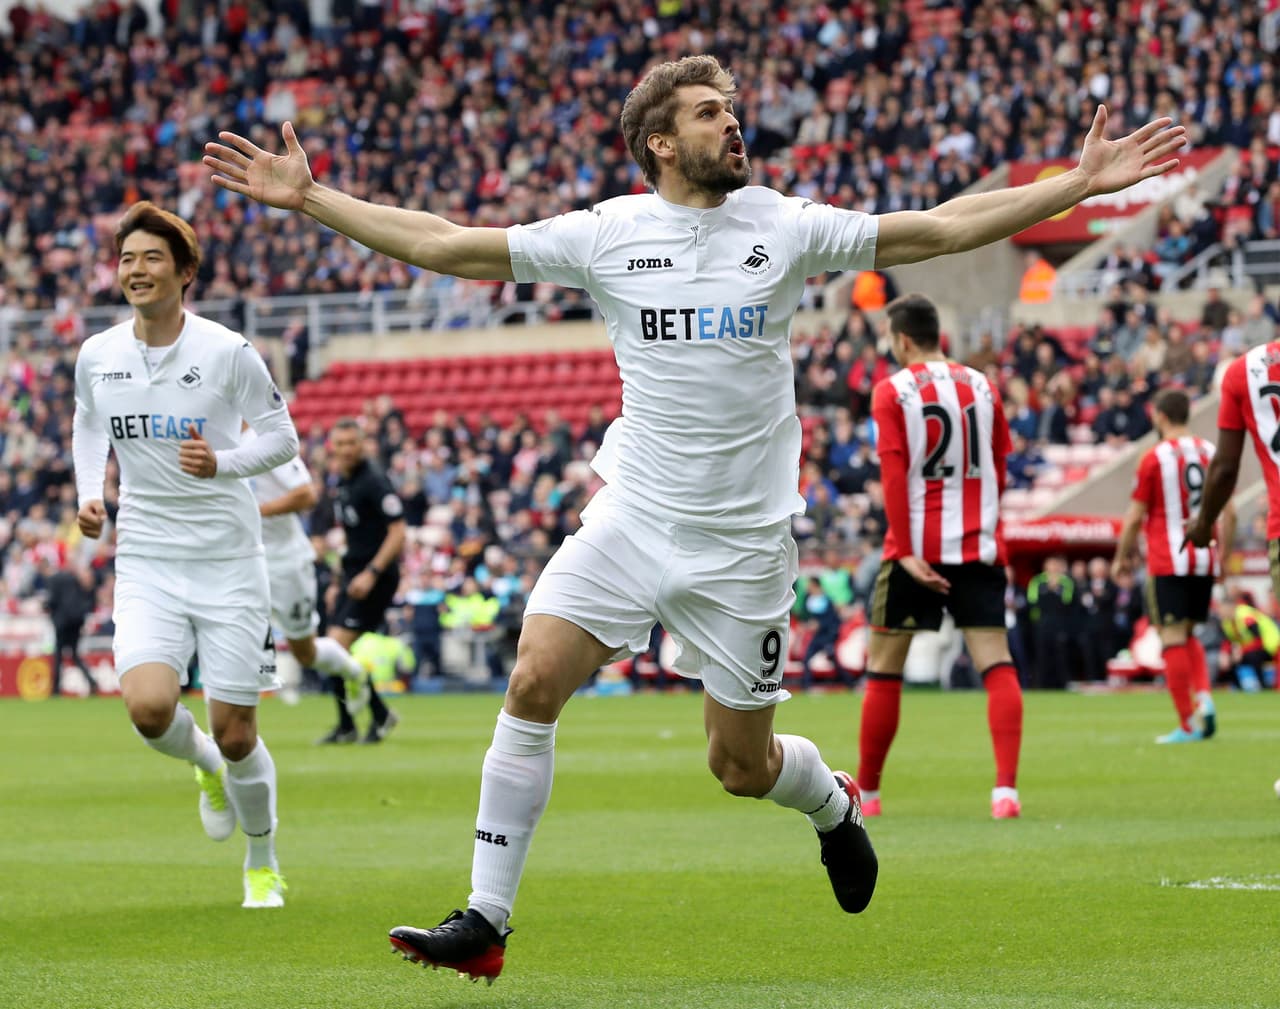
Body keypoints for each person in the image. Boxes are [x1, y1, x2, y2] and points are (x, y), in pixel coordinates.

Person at [204, 54, 1184, 981]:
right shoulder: (606, 234)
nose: (732, 120)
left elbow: (933, 228)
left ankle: (830, 799)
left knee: (740, 763)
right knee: (534, 669)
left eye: (729, 106)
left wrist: (1072, 185)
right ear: (660, 143)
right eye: (709, 111)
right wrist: (311, 197)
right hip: (630, 517)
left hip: (742, 547)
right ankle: (486, 919)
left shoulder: (781, 222)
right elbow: (443, 245)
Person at [72, 201, 298, 908]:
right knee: (147, 708)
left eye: (152, 258)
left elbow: (283, 440)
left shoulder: (226, 351)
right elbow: (86, 424)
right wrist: (91, 494)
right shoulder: (98, 355)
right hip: (146, 558)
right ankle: (199, 762)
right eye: (127, 258)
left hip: (230, 561)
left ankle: (262, 857)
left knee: (238, 733)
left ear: (185, 271)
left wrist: (224, 464)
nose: (136, 270)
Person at [856, 294, 1023, 820]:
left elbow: (892, 473)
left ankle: (870, 793)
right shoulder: (983, 386)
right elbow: (999, 463)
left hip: (916, 549)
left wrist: (904, 550)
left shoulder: (892, 391)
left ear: (902, 338)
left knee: (885, 669)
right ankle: (1005, 792)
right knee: (996, 662)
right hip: (978, 546)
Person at [1113, 389, 1234, 742]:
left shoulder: (1154, 458)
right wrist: (1223, 553)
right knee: (1190, 632)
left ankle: (1186, 723)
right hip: (1204, 557)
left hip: (1169, 558)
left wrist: (1122, 556)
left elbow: (1135, 516)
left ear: (1160, 417)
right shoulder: (1210, 451)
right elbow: (1231, 512)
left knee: (1171, 638)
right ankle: (1206, 700)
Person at [243, 423, 371, 709]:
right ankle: (231, 726)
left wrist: (253, 511)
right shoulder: (212, 441)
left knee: (306, 651)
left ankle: (354, 672)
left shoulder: (264, 442)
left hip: (285, 560)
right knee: (238, 637)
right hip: (244, 557)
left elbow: (307, 495)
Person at [315, 417, 405, 744]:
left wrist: (372, 573)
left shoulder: (374, 481)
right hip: (353, 574)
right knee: (328, 650)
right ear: (333, 448)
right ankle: (349, 725)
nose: (346, 450)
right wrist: (339, 582)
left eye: (352, 443)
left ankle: (379, 717)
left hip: (375, 576)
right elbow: (354, 538)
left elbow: (398, 532)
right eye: (340, 444)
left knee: (334, 648)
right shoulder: (342, 481)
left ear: (362, 444)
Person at [43, 560, 98, 696]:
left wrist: (47, 608)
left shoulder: (55, 580)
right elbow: (88, 603)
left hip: (63, 623)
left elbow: (51, 601)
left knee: (58, 655)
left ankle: (55, 689)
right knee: (73, 654)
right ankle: (91, 682)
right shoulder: (76, 581)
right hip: (76, 622)